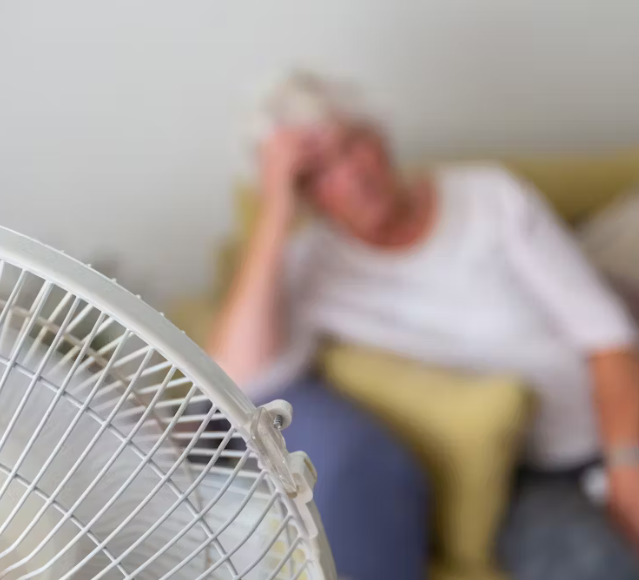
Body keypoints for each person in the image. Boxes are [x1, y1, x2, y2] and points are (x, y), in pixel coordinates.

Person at [208, 71, 639, 580]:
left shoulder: (489, 197)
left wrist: (626, 473)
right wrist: (275, 211)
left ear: (380, 136)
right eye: (316, 172)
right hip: (534, 481)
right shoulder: (310, 268)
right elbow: (234, 380)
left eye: (351, 146)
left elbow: (607, 338)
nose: (350, 176)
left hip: (619, 429)